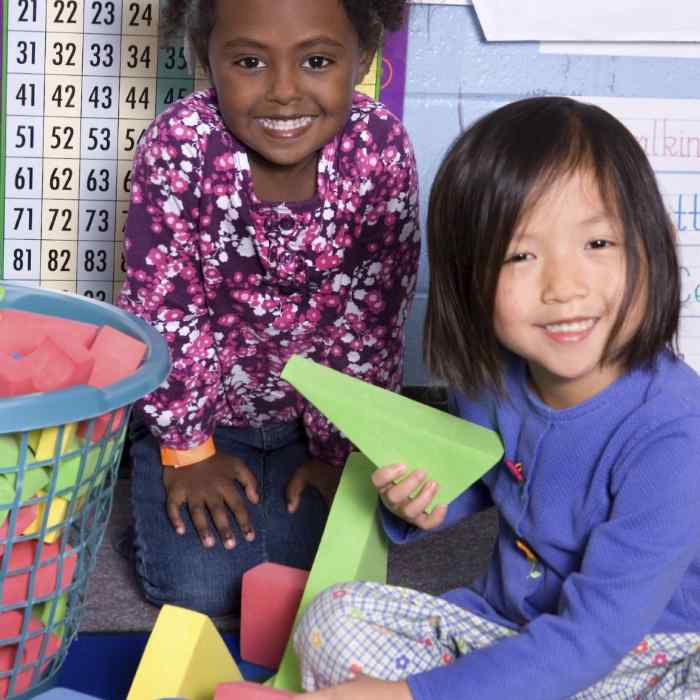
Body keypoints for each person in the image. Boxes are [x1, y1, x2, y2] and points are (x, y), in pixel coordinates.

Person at [293, 96, 700, 699]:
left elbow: (594, 638)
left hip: (643, 656)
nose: (564, 287)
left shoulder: (675, 432)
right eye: (521, 256)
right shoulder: (493, 381)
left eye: (598, 245)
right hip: (508, 629)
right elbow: (496, 477)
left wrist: (416, 696)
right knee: (332, 621)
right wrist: (432, 505)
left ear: (654, 243)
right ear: (468, 279)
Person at [117, 0, 419, 617]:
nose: (284, 93)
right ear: (208, 59)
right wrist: (187, 450)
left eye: (315, 60)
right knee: (200, 590)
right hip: (200, 413)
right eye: (250, 62)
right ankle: (148, 499)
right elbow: (166, 312)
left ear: (361, 58)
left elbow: (373, 325)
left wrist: (340, 453)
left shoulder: (380, 149)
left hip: (312, 424)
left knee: (320, 586)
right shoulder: (178, 145)